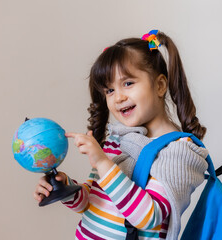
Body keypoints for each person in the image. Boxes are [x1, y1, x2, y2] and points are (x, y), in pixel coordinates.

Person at [34, 30, 209, 240]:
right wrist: (65, 188)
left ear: (160, 85)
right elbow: (91, 202)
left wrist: (102, 162)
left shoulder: (179, 151)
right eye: (109, 90)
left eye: (127, 83)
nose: (118, 98)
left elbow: (148, 217)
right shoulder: (117, 140)